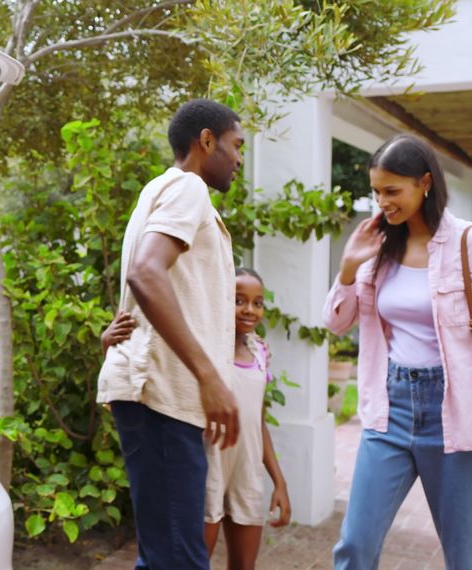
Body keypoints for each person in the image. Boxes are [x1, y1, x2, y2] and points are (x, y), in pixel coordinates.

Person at [323, 134, 472, 569]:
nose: (381, 202)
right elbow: (336, 321)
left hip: (456, 414)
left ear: (425, 183)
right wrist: (348, 267)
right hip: (389, 409)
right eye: (375, 192)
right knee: (355, 545)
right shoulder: (376, 250)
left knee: (466, 556)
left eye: (392, 191)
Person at [96, 98, 244, 570]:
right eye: (237, 146)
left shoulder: (158, 190)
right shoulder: (188, 188)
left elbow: (150, 283)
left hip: (158, 395)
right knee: (179, 557)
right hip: (161, 397)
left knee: (165, 554)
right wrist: (210, 377)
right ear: (206, 141)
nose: (240, 158)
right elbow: (146, 273)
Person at [103, 268, 292, 570]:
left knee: (245, 564)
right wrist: (107, 344)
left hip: (246, 468)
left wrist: (279, 481)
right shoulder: (202, 352)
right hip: (208, 464)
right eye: (239, 300)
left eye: (258, 303)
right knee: (190, 561)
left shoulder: (259, 352)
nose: (249, 309)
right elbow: (142, 378)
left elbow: (258, 418)